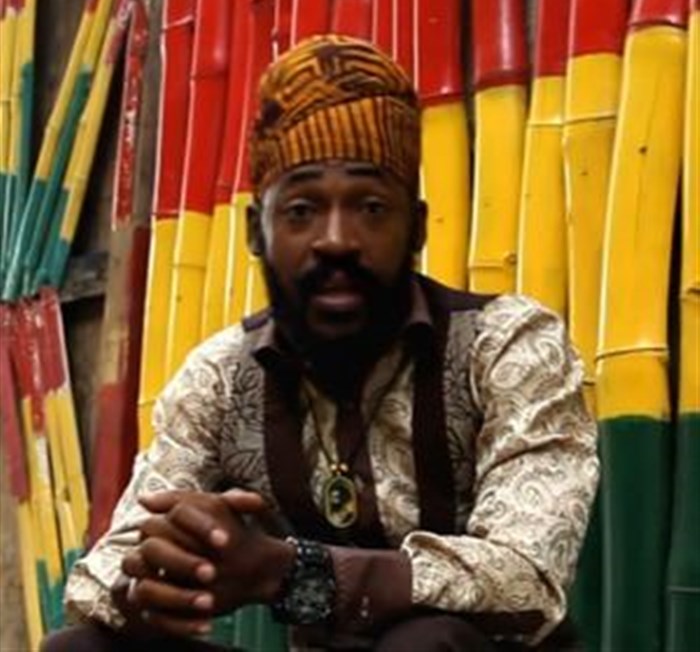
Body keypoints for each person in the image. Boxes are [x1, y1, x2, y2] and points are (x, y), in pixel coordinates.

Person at [42, 34, 598, 652]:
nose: (336, 240)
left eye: (371, 208)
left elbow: (526, 580)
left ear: (416, 227)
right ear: (256, 232)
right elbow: (96, 583)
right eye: (301, 211)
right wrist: (163, 573)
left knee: (425, 643)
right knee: (79, 650)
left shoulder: (507, 345)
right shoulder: (222, 378)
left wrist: (288, 572)